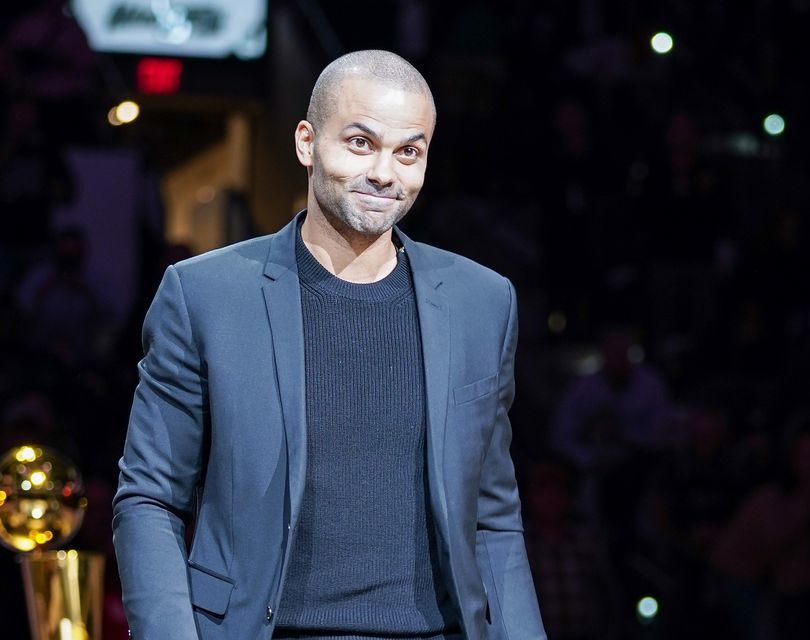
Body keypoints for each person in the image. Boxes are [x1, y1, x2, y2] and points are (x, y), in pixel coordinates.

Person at [112, 50, 545, 640]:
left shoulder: (482, 303)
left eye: (408, 151)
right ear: (306, 142)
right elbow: (150, 497)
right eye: (361, 143)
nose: (385, 174)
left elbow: (493, 519)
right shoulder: (205, 296)